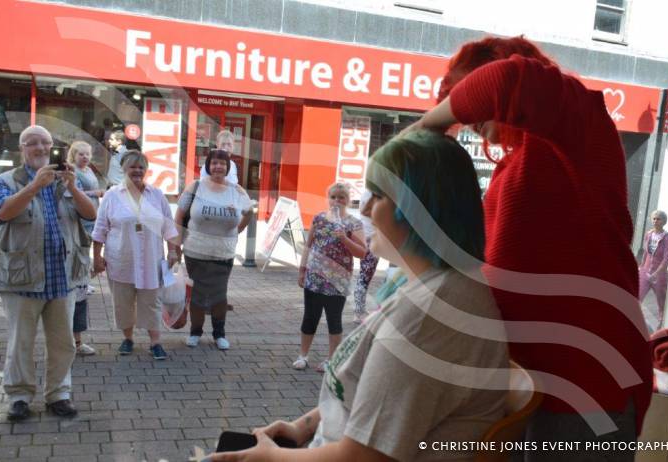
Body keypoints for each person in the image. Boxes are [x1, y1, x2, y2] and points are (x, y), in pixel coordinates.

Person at [407, 36, 653, 459]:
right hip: (529, 385)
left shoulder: (578, 123)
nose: (468, 118)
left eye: (467, 99)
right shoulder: (512, 167)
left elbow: (505, 82)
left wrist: (424, 126)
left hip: (587, 383)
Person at [206, 130, 508, 462]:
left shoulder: (429, 315)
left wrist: (270, 457)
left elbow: (363, 456)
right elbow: (365, 391)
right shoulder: (430, 285)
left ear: (418, 208)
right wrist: (303, 426)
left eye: (377, 195)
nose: (363, 207)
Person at [0, 125, 96, 421]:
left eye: (45, 143)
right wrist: (34, 186)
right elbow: (5, 213)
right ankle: (19, 397)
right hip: (22, 279)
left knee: (63, 342)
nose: (39, 148)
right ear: (22, 149)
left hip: (62, 278)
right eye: (32, 143)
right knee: (20, 342)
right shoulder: (5, 181)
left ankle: (59, 395)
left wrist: (74, 188)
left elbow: (90, 214)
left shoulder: (65, 181)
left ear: (52, 147)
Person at [92, 150, 179, 360]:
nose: (137, 171)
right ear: (124, 169)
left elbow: (168, 225)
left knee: (152, 302)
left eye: (141, 167)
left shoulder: (156, 195)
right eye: (133, 167)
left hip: (151, 258)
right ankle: (128, 339)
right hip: (120, 259)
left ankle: (155, 342)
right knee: (123, 302)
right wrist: (97, 257)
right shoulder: (112, 195)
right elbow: (100, 228)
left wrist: (173, 250)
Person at [174, 149, 253, 350]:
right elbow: (179, 215)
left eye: (223, 164)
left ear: (228, 168)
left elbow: (249, 212)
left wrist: (238, 230)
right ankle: (195, 332)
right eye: (215, 163)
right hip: (195, 251)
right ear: (208, 166)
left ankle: (219, 333)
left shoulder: (237, 191)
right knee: (197, 295)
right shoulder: (196, 187)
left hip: (223, 253)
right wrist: (175, 245)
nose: (219, 167)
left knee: (219, 295)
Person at [293, 182, 366, 373]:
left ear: (348, 200)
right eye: (333, 197)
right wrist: (302, 270)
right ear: (328, 198)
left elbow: (362, 252)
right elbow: (308, 246)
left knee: (334, 319)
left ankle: (331, 360)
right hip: (314, 277)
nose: (337, 201)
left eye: (341, 197)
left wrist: (344, 238)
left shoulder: (353, 223)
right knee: (310, 317)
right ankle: (303, 356)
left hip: (338, 281)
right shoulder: (319, 219)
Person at [67, 140, 103, 356]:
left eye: (87, 154)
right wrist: (95, 193)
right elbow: (73, 196)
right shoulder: (70, 173)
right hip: (76, 224)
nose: (85, 157)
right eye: (80, 154)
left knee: (79, 292)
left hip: (91, 220)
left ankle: (77, 342)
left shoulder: (87, 170)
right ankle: (68, 342)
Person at [639, 210, 668, 327]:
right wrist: (641, 267)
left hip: (659, 275)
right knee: (637, 296)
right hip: (645, 271)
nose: (655, 221)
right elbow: (645, 253)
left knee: (661, 302)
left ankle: (661, 324)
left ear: (664, 221)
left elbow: (667, 258)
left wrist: (656, 273)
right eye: (654, 218)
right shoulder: (649, 234)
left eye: (658, 219)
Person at [352, 189, 380, 324]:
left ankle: (360, 310)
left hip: (368, 237)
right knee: (364, 277)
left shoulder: (367, 193)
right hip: (370, 239)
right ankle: (358, 312)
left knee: (365, 276)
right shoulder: (372, 195)